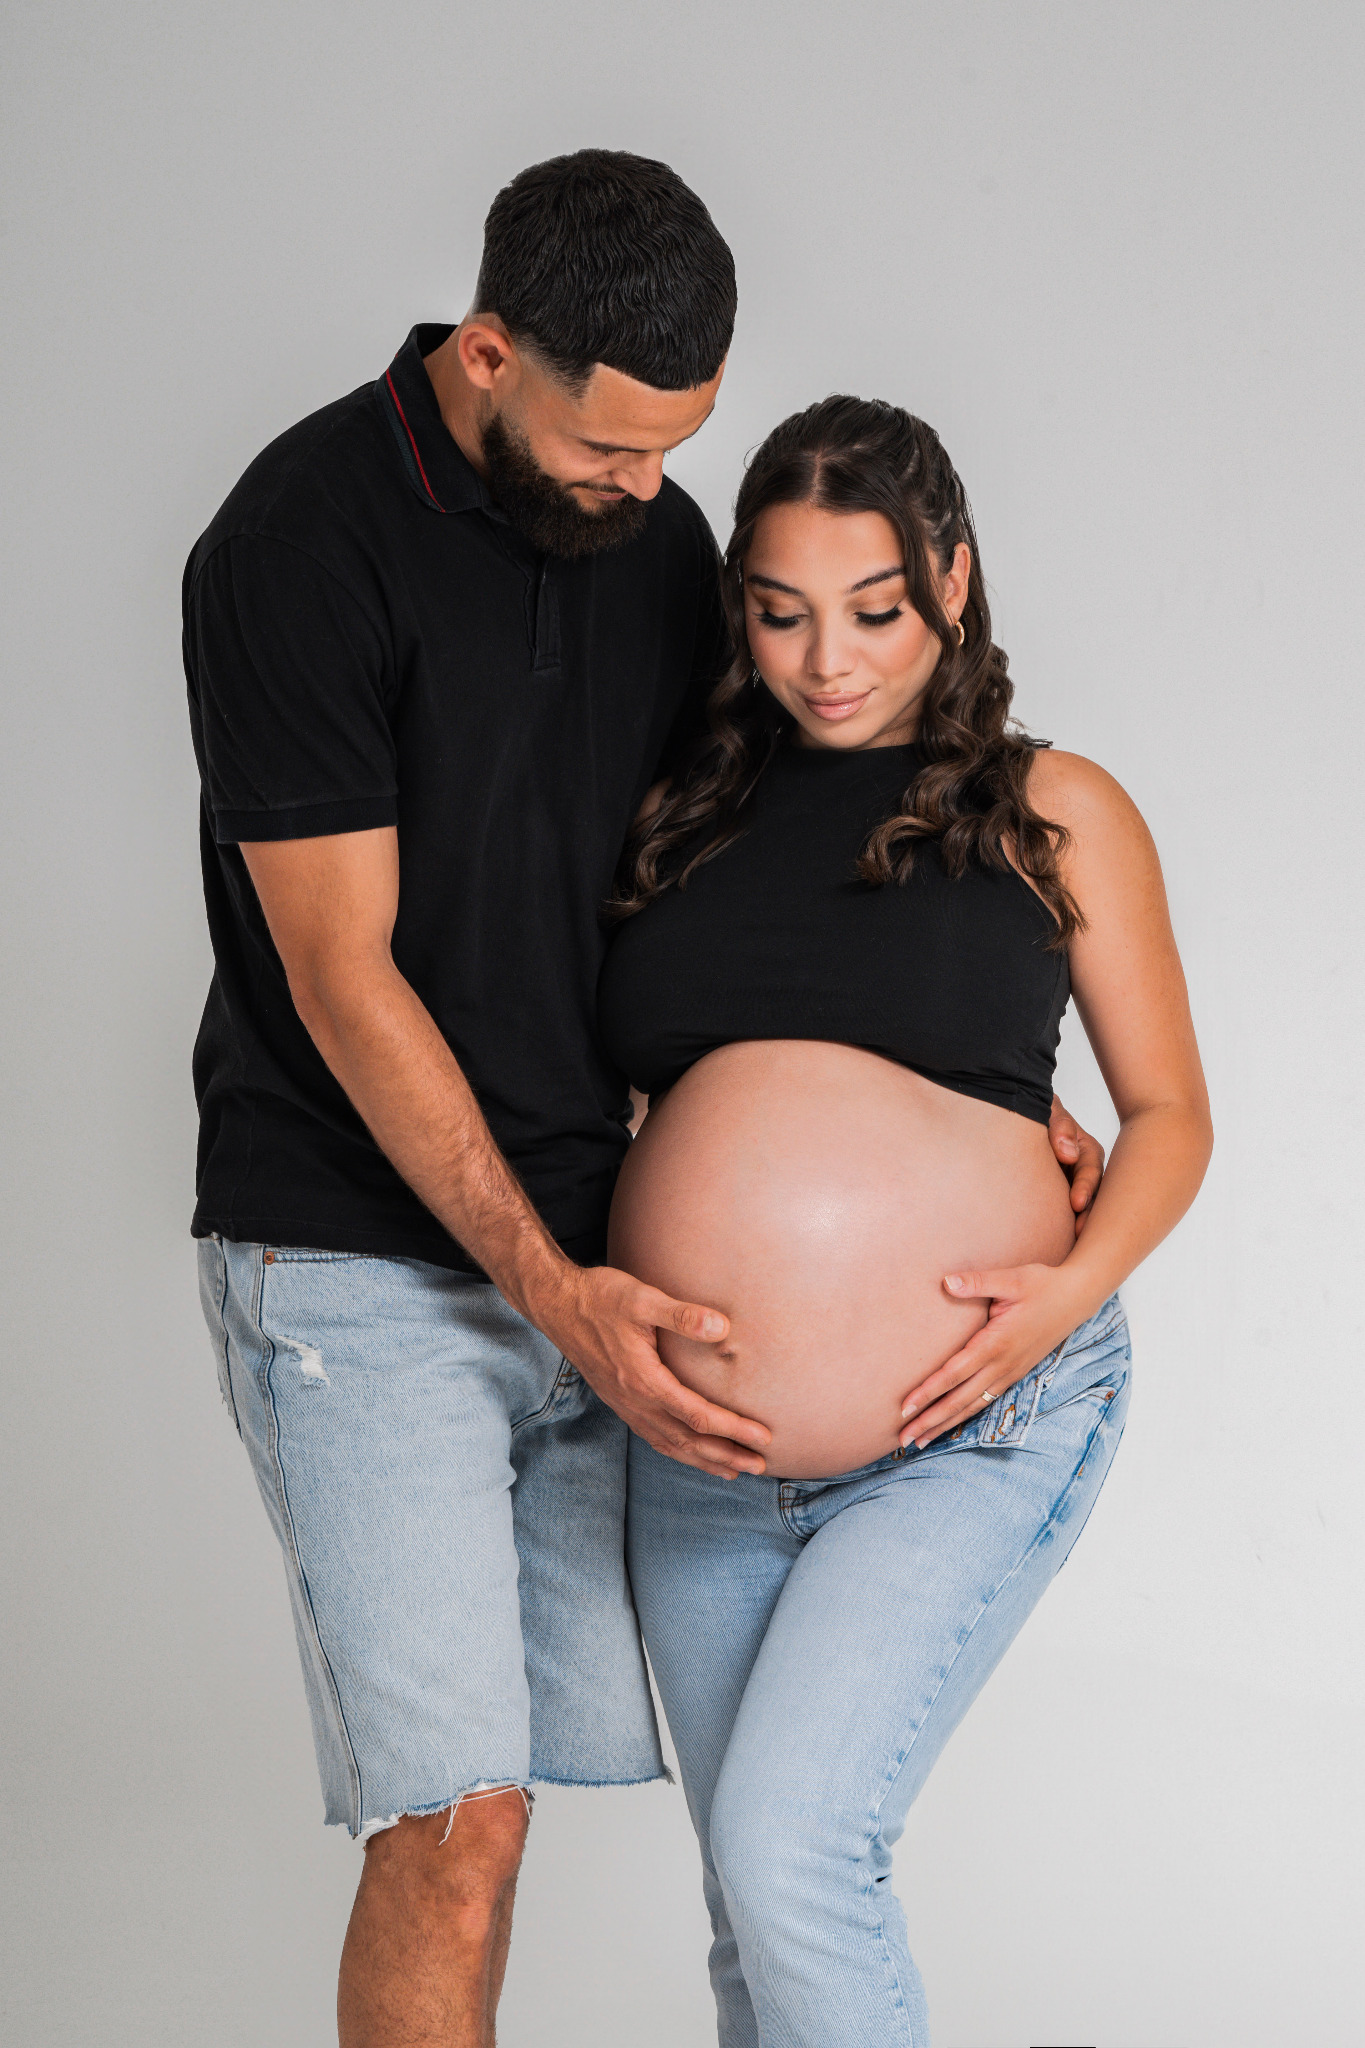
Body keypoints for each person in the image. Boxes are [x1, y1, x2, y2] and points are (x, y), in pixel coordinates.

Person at [184, 150, 1105, 2043]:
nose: (642, 491)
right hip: (375, 1254)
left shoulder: (652, 541)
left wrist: (985, 1108)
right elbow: (340, 976)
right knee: (451, 1821)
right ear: (490, 348)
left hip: (601, 1266)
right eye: (611, 451)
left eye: (671, 452)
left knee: (657, 1851)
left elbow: (738, 875)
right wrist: (556, 1288)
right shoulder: (297, 544)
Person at [600, 396, 1213, 2047]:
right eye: (778, 611)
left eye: (873, 609)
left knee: (794, 1857)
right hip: (701, 1454)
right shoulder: (677, 812)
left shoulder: (1051, 805)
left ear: (951, 575)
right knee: (753, 1909)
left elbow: (1168, 1115)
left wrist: (1065, 1289)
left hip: (972, 1423)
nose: (826, 660)